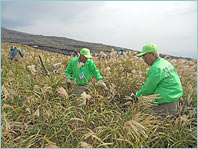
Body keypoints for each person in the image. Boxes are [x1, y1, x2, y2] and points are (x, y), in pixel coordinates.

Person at [134, 43, 183, 118]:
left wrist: (137, 96)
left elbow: (148, 89)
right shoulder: (164, 63)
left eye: (144, 56)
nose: (143, 59)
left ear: (153, 54)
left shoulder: (156, 68)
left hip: (165, 103)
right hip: (174, 100)